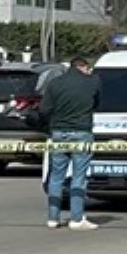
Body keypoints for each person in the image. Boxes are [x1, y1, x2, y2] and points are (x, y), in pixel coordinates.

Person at [40, 57, 101, 230]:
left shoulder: (55, 83)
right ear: (84, 67)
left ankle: (53, 218)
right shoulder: (93, 82)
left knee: (56, 176)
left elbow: (44, 109)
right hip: (82, 131)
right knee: (79, 177)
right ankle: (77, 218)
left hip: (58, 132)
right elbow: (97, 103)